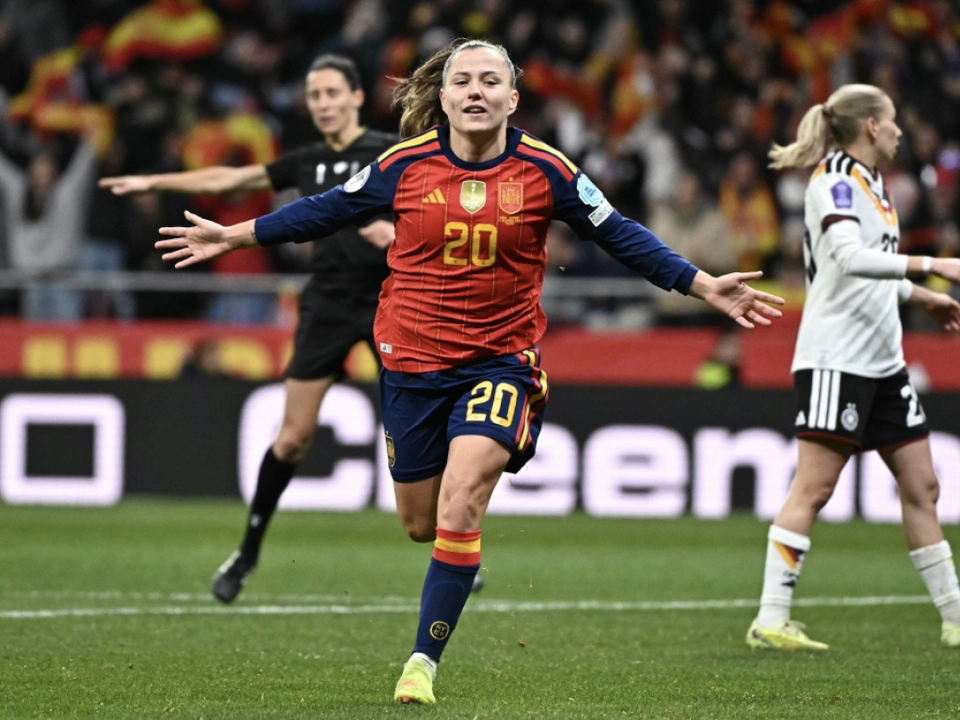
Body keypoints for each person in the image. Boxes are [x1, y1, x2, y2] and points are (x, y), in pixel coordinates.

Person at [154, 39, 784, 705]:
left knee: (462, 500)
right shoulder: (403, 164)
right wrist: (235, 235)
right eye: (463, 81)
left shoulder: (549, 170)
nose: (476, 91)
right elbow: (324, 209)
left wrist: (700, 283)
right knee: (420, 522)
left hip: (500, 363)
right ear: (444, 97)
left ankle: (421, 663)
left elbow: (620, 233)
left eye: (490, 81)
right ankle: (450, 556)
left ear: (513, 99)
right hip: (410, 365)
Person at [99, 54, 412, 603]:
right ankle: (246, 552)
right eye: (314, 95)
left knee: (415, 431)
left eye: (333, 92)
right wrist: (157, 179)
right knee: (292, 438)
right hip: (328, 303)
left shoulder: (392, 153)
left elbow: (438, 208)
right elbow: (229, 178)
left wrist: (398, 232)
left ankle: (454, 546)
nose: (323, 104)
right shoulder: (307, 160)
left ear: (358, 97)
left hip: (392, 300)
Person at [745, 84, 960, 652]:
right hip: (836, 358)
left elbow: (866, 271)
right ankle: (771, 619)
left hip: (884, 360)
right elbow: (847, 257)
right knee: (814, 488)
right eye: (892, 120)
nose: (899, 130)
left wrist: (919, 295)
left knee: (924, 487)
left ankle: (955, 619)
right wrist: (933, 266)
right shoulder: (835, 180)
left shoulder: (873, 183)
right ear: (870, 126)